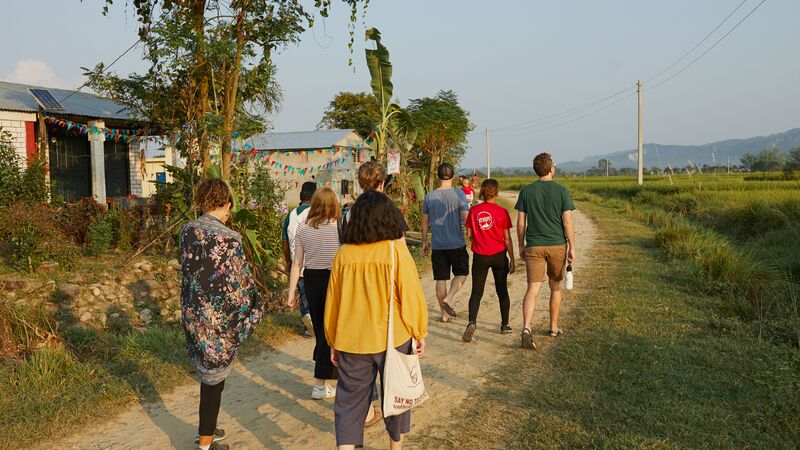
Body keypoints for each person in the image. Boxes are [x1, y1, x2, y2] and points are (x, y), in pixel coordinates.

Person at [325, 190, 428, 450]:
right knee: (397, 394)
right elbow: (411, 295)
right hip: (392, 338)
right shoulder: (395, 251)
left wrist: (332, 340)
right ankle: (395, 446)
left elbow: (333, 303)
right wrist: (419, 332)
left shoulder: (343, 254)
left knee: (348, 403)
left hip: (351, 340)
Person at [180, 178, 265, 450]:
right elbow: (239, 282)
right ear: (227, 204)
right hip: (220, 318)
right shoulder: (231, 238)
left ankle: (209, 426)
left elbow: (191, 270)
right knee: (213, 378)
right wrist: (254, 306)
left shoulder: (186, 231)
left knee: (210, 374)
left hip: (194, 312)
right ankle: (205, 443)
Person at [514, 153, 575, 350]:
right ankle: (553, 327)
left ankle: (526, 328)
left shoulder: (526, 191)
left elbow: (521, 223)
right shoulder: (562, 191)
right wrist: (572, 246)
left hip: (534, 245)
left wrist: (521, 245)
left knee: (532, 288)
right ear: (551, 169)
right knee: (555, 287)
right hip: (557, 244)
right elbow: (567, 222)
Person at [287, 187, 341, 399]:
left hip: (311, 280)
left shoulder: (303, 227)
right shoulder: (338, 227)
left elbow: (296, 263)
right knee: (336, 330)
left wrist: (292, 292)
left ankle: (321, 384)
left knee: (320, 330)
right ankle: (334, 382)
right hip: (335, 280)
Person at [462, 179, 515, 342]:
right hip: (499, 255)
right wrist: (512, 258)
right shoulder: (502, 212)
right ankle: (505, 325)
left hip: (480, 256)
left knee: (476, 292)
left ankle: (472, 322)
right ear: (496, 192)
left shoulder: (474, 211)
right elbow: (507, 238)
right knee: (502, 290)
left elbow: (469, 234)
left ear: (483, 192)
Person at [422, 163, 470, 322]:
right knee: (462, 273)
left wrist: (424, 242)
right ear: (454, 176)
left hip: (437, 245)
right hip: (456, 243)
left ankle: (444, 315)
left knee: (440, 279)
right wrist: (471, 234)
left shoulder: (430, 196)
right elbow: (466, 218)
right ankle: (449, 298)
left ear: (438, 176)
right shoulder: (459, 194)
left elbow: (424, 222)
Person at [282, 182, 317, 338]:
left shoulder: (291, 215)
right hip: (317, 262)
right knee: (317, 294)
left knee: (304, 294)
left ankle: (307, 323)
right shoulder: (318, 214)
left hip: (298, 263)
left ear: (301, 196)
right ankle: (316, 320)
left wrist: (288, 261)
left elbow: (284, 240)